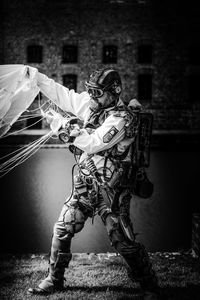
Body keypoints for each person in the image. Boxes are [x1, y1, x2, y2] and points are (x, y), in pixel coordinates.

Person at [28, 67, 160, 299]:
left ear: (114, 91)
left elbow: (93, 143)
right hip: (84, 186)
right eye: (90, 91)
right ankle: (54, 279)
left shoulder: (122, 118)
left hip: (111, 192)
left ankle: (149, 285)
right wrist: (36, 78)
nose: (91, 96)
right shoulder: (92, 105)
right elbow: (62, 93)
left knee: (122, 241)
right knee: (62, 229)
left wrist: (62, 126)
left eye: (97, 92)